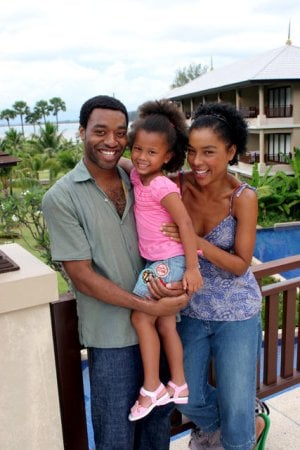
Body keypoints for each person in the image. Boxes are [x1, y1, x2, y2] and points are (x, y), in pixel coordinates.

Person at [42, 95, 189, 450]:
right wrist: (151, 307)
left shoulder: (136, 177)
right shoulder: (61, 197)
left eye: (120, 133)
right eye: (100, 131)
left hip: (158, 328)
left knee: (156, 434)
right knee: (115, 438)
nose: (111, 141)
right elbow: (82, 276)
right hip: (111, 340)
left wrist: (174, 293)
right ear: (81, 132)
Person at [155, 102, 268, 450]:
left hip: (236, 313)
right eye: (192, 152)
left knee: (236, 407)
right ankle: (249, 421)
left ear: (231, 151)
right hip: (190, 309)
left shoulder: (243, 197)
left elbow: (239, 265)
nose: (198, 162)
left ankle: (240, 433)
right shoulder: (176, 186)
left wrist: (195, 239)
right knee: (183, 396)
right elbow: (136, 166)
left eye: (209, 152)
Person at [125, 100, 203, 422]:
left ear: (168, 156)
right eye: (138, 149)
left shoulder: (161, 184)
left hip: (166, 263)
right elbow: (125, 166)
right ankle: (180, 383)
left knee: (141, 318)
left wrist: (192, 268)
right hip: (159, 261)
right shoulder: (137, 177)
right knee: (166, 322)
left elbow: (185, 224)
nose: (142, 157)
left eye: (152, 152)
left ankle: (152, 387)